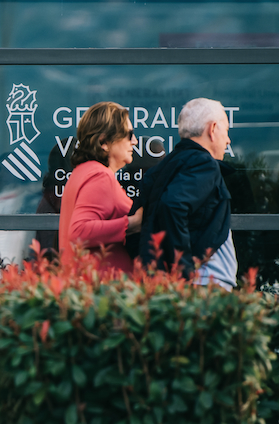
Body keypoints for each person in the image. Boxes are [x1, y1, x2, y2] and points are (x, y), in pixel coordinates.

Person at [136, 97, 237, 289]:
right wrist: (183, 270)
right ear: (212, 129)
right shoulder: (204, 163)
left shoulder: (162, 168)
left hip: (171, 282)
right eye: (226, 130)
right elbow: (172, 206)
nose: (228, 140)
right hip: (205, 284)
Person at [58, 101, 143, 273]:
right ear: (104, 141)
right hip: (100, 284)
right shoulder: (99, 176)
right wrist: (133, 223)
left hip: (86, 281)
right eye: (129, 135)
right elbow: (79, 231)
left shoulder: (83, 171)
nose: (134, 141)